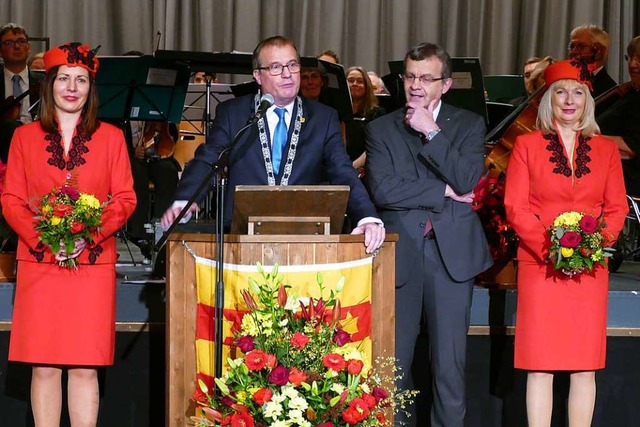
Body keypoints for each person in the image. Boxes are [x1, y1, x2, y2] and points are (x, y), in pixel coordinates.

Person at [1, 42, 136, 426]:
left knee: (84, 365)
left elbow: (125, 198)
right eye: (64, 79)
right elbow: (11, 199)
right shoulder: (23, 138)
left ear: (90, 89)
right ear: (49, 85)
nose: (72, 87)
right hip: (39, 261)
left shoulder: (111, 137)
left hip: (90, 266)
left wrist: (86, 237)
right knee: (42, 365)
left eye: (81, 80)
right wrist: (45, 238)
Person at [364, 42, 493, 426]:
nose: (416, 85)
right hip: (401, 254)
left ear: (446, 84)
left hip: (451, 257)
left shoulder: (468, 125)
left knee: (448, 369)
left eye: (426, 78)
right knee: (393, 366)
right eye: (410, 77)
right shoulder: (380, 129)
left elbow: (469, 179)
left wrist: (432, 132)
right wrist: (444, 192)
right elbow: (383, 190)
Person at [161, 36, 384, 254]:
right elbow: (209, 159)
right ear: (258, 75)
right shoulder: (234, 114)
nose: (287, 74)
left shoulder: (323, 118)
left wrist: (366, 216)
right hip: (240, 237)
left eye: (292, 65)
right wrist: (185, 199)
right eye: (276, 67)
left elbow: (342, 170)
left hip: (304, 237)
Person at [503, 59, 627, 427]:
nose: (569, 100)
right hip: (540, 266)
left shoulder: (605, 149)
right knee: (539, 365)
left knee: (584, 366)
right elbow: (515, 206)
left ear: (587, 100)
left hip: (589, 269)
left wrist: (588, 247)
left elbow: (617, 208)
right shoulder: (526, 145)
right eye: (561, 92)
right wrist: (553, 248)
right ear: (548, 99)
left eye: (577, 93)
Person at [597, 36, 640, 196]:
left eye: (639, 59)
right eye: (630, 58)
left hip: (626, 180)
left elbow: (631, 147)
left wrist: (584, 137)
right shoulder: (629, 93)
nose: (633, 65)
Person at [0, 23, 44, 124]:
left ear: (29, 48)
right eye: (9, 42)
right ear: (0, 51)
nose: (16, 46)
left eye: (21, 41)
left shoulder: (44, 81)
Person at [344, 66, 385, 172]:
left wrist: (353, 166)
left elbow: (375, 145)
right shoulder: (336, 111)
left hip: (366, 167)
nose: (355, 84)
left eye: (360, 81)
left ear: (367, 86)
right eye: (350, 80)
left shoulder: (378, 113)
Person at [568, 24, 616, 98]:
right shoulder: (564, 81)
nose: (573, 52)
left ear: (599, 51)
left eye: (581, 46)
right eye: (572, 46)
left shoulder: (609, 91)